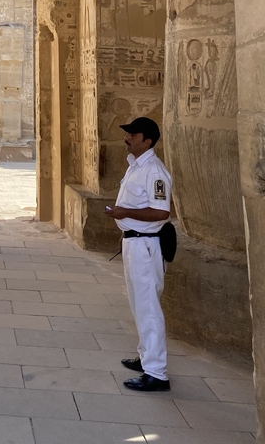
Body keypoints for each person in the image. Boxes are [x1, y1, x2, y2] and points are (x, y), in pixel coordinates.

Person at [104, 116, 172, 391]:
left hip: (147, 246)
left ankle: (157, 373)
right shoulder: (136, 166)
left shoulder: (154, 171)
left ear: (148, 141)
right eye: (127, 133)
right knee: (138, 304)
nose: (127, 138)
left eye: (133, 134)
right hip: (135, 242)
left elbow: (161, 212)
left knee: (149, 308)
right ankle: (146, 357)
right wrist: (125, 228)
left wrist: (125, 213)